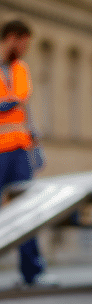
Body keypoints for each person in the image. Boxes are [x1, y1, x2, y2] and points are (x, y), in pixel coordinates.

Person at [0, 20, 56, 287]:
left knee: (26, 210)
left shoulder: (20, 69)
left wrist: (36, 145)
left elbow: (21, 104)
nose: (25, 48)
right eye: (23, 42)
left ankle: (32, 273)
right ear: (12, 38)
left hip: (19, 150)